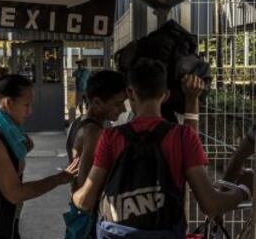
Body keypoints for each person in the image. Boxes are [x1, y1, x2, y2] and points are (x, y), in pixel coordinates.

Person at [73, 59, 251, 238]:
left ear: (130, 93)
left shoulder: (111, 137)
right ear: (165, 95)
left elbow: (85, 201)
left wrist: (73, 189)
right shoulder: (183, 136)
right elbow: (210, 205)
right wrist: (245, 189)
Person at [0, 67, 79, 239]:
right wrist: (59, 178)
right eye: (26, 105)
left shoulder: (8, 132)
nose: (30, 111)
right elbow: (15, 193)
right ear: (9, 103)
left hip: (4, 222)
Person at [66, 70, 127, 192]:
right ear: (97, 102)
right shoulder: (94, 133)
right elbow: (85, 184)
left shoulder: (76, 123)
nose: (124, 109)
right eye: (118, 104)